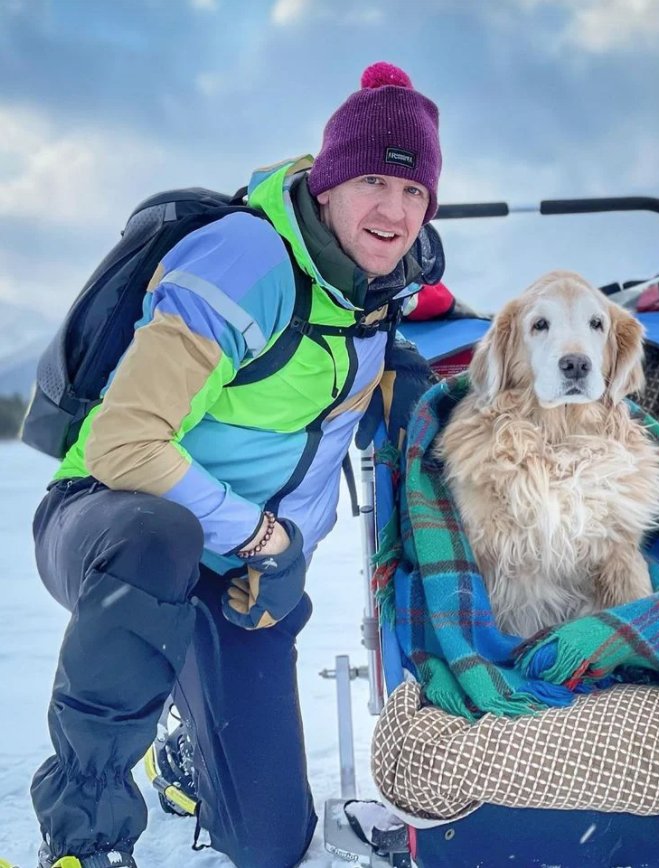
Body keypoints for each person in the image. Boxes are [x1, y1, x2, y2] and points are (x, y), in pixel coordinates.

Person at [29, 61, 441, 868]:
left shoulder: (382, 287)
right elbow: (124, 443)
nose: (394, 212)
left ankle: (188, 737)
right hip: (112, 524)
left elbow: (378, 384)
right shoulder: (245, 262)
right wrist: (264, 538)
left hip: (248, 576)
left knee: (270, 843)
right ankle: (86, 832)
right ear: (327, 184)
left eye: (415, 193)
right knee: (160, 538)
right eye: (372, 184)